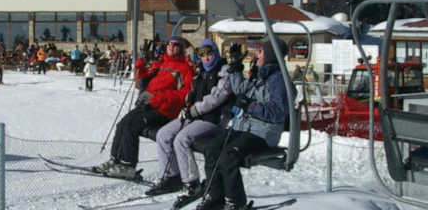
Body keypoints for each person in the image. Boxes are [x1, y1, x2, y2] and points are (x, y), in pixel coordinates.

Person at [196, 38, 291, 210]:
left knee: (228, 155)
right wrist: (236, 68)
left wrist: (250, 106)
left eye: (261, 52)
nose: (257, 55)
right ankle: (215, 195)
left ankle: (235, 202)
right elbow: (241, 90)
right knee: (211, 148)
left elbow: (278, 112)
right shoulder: (260, 74)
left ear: (270, 55)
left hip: (262, 133)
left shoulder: (279, 80)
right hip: (244, 128)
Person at [147, 39, 234, 205]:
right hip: (195, 116)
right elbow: (192, 92)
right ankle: (172, 176)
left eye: (209, 54)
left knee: (181, 139)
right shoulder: (200, 71)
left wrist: (194, 110)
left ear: (216, 54)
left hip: (213, 119)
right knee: (163, 134)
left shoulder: (223, 72)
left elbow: (216, 98)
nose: (206, 58)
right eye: (203, 55)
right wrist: (187, 102)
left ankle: (192, 182)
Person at [93, 36, 194, 180]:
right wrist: (141, 63)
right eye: (169, 44)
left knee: (132, 125)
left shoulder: (185, 69)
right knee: (122, 124)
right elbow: (141, 83)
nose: (171, 47)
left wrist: (158, 97)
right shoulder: (161, 63)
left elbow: (183, 95)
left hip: (165, 110)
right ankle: (116, 159)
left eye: (176, 44)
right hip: (149, 104)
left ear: (182, 48)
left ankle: (128, 165)